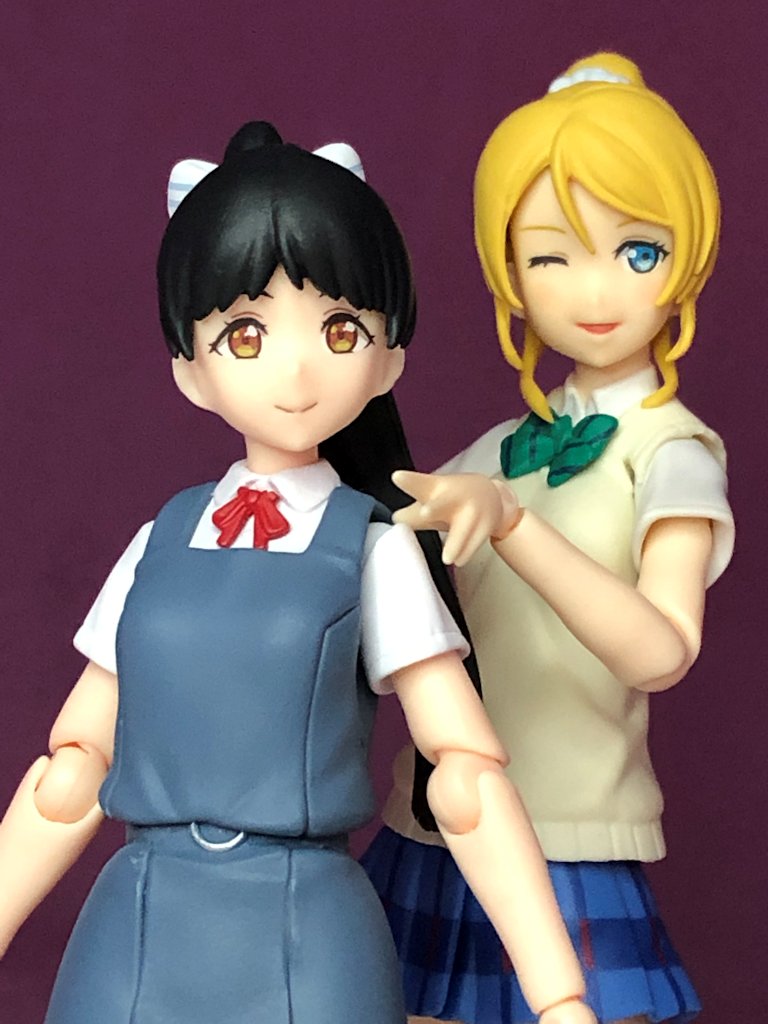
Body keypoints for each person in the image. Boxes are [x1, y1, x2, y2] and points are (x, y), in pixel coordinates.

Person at [0, 122, 595, 1024]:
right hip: (140, 925)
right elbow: (71, 774)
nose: (297, 366)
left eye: (340, 328)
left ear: (388, 357)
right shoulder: (160, 539)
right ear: (189, 369)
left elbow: (466, 781)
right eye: (244, 334)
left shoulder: (374, 550)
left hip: (303, 935)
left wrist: (558, 994)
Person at [361, 53, 733, 1024]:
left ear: (688, 254)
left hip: (569, 822)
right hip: (439, 812)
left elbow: (661, 649)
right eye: (550, 257)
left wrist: (518, 527)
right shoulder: (493, 452)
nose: (593, 289)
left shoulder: (670, 453)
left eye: (637, 251)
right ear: (510, 275)